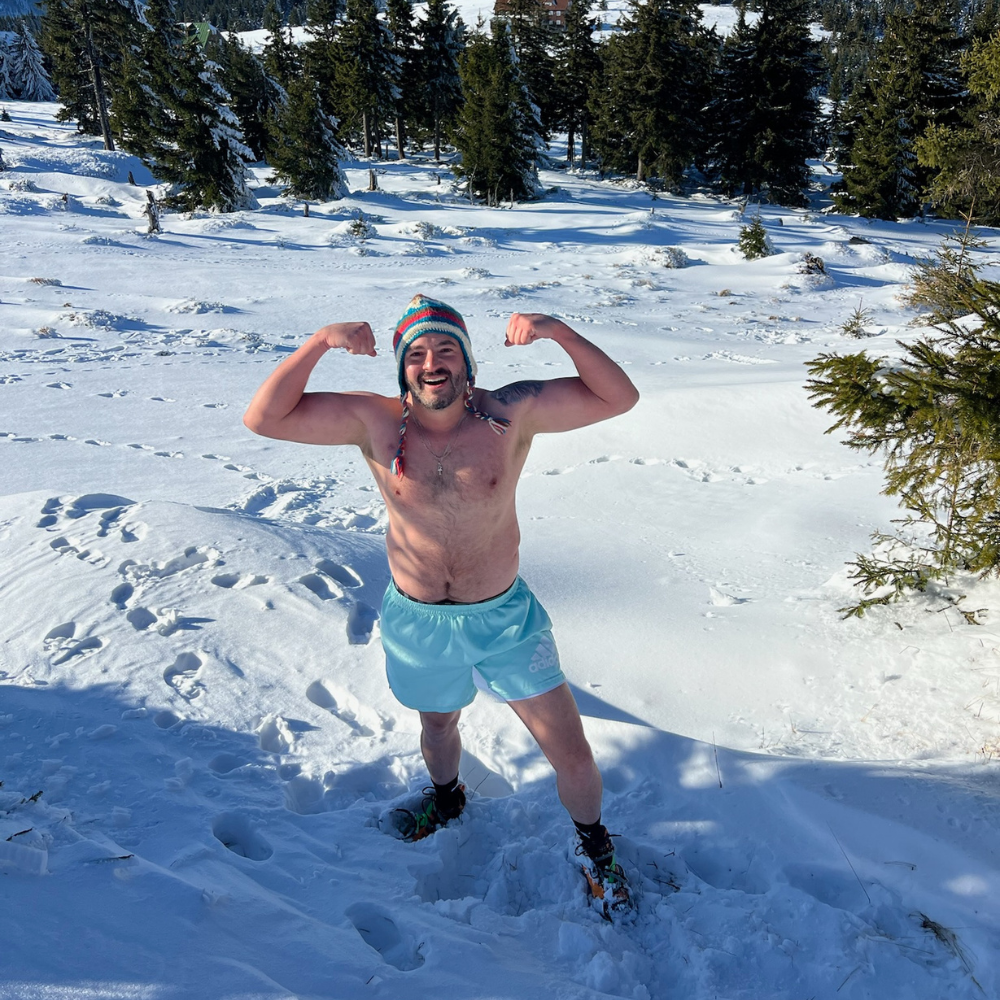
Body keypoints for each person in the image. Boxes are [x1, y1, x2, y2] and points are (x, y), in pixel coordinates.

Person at [243, 295, 639, 911]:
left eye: (446, 349)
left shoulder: (509, 414)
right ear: (403, 367)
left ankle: (595, 846)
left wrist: (557, 329)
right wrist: (321, 340)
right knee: (437, 724)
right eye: (418, 354)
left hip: (504, 620)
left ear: (468, 362)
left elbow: (619, 397)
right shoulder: (375, 423)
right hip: (418, 620)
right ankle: (448, 795)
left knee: (569, 747)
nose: (432, 364)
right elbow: (263, 418)